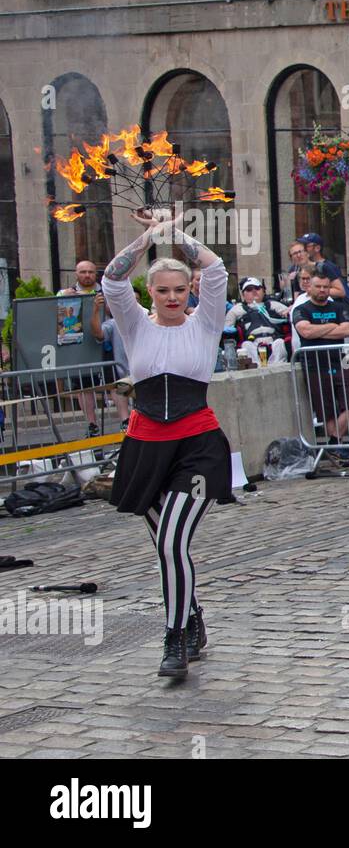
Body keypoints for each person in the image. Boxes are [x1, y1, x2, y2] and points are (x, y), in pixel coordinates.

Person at [101, 209, 236, 679]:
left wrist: (173, 234)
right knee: (167, 546)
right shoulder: (135, 322)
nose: (173, 297)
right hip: (145, 445)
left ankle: (174, 639)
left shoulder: (205, 322)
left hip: (197, 443)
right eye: (163, 290)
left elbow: (216, 268)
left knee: (174, 541)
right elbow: (112, 278)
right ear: (150, 294)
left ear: (190, 291)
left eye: (180, 289)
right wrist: (146, 239)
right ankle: (192, 617)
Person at [293, 268, 349, 468]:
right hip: (314, 363)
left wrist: (319, 331)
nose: (322, 290)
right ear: (309, 287)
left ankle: (333, 442)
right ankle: (337, 447)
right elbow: (304, 331)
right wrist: (332, 326)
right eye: (318, 286)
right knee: (326, 409)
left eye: (325, 287)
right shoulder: (301, 309)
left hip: (342, 359)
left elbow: (346, 329)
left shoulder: (339, 307)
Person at [57, 259, 104, 436]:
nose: (87, 275)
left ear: (96, 274)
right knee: (83, 387)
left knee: (114, 384)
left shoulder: (105, 292)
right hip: (79, 347)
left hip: (103, 343)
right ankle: (92, 424)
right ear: (76, 274)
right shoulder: (65, 293)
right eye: (83, 272)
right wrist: (62, 300)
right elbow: (57, 319)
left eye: (90, 272)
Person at [88, 292, 132, 433]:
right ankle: (126, 421)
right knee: (119, 387)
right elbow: (99, 333)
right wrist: (95, 311)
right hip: (125, 370)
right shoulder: (112, 323)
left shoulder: (144, 318)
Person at [226, 277, 291, 365]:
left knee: (279, 343)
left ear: (263, 291)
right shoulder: (236, 310)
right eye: (249, 289)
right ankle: (256, 369)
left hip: (273, 340)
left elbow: (291, 314)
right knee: (246, 345)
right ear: (243, 294)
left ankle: (277, 368)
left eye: (257, 288)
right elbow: (227, 328)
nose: (253, 291)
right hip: (252, 342)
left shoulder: (273, 305)